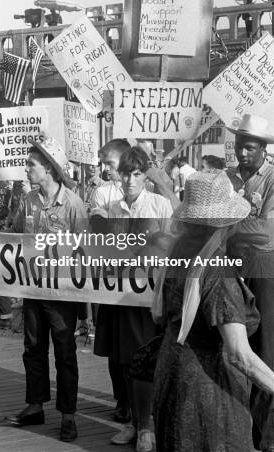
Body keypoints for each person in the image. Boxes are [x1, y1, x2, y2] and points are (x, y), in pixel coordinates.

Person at [150, 170, 274, 451]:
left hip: (172, 378)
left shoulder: (179, 253)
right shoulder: (217, 271)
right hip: (207, 394)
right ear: (227, 224)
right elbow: (239, 354)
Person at [5, 135, 88, 442]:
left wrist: (84, 304)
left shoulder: (74, 204)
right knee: (33, 349)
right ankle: (35, 405)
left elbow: (86, 250)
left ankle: (68, 415)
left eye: (32, 165)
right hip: (32, 289)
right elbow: (14, 236)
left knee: (65, 353)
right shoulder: (27, 201)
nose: (26, 170)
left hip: (63, 294)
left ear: (50, 170)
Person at [94, 146, 173, 451]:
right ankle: (133, 422)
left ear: (145, 175)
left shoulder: (160, 205)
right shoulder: (114, 208)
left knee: (150, 358)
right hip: (122, 295)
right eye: (126, 173)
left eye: (137, 173)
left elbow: (173, 247)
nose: (130, 180)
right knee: (125, 359)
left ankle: (149, 424)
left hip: (152, 296)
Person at [225, 114, 274, 452]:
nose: (242, 153)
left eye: (250, 147)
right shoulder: (226, 177)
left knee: (265, 348)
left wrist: (228, 225)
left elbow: (268, 235)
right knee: (232, 345)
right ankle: (240, 424)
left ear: (263, 149)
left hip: (263, 270)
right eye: (240, 146)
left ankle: (266, 434)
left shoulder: (272, 177)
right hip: (229, 268)